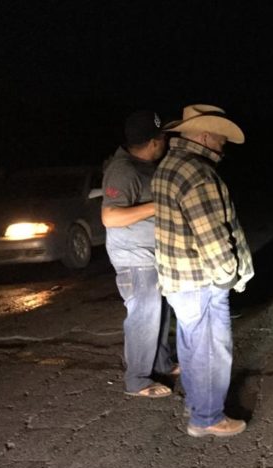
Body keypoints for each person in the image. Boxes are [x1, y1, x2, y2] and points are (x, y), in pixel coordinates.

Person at [152, 104, 254, 438]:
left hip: (178, 278)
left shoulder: (169, 165)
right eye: (221, 137)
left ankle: (197, 404)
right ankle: (208, 417)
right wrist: (228, 275)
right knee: (211, 347)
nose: (223, 143)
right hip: (202, 279)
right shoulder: (198, 173)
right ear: (206, 135)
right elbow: (211, 234)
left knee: (192, 344)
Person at [102, 110, 176, 398]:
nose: (167, 143)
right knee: (144, 316)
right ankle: (137, 380)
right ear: (153, 141)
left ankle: (163, 363)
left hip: (153, 255)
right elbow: (110, 216)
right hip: (134, 257)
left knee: (162, 312)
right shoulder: (124, 171)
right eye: (164, 138)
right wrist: (159, 206)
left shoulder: (143, 166)